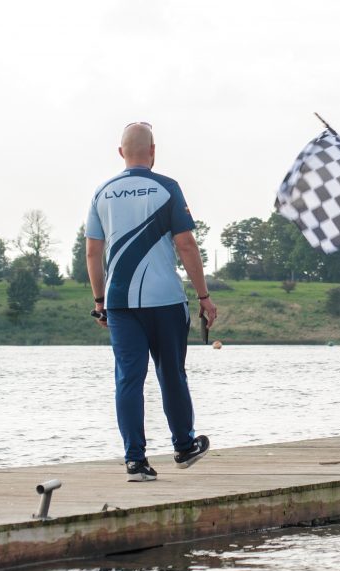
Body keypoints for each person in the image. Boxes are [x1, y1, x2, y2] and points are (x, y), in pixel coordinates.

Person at [86, 122, 217, 481]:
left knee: (128, 378)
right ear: (153, 151)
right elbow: (187, 244)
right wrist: (203, 296)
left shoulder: (102, 192)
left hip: (120, 301)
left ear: (120, 153)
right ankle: (184, 445)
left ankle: (135, 461)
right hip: (164, 300)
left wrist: (100, 301)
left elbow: (93, 251)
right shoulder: (166, 188)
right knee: (170, 372)